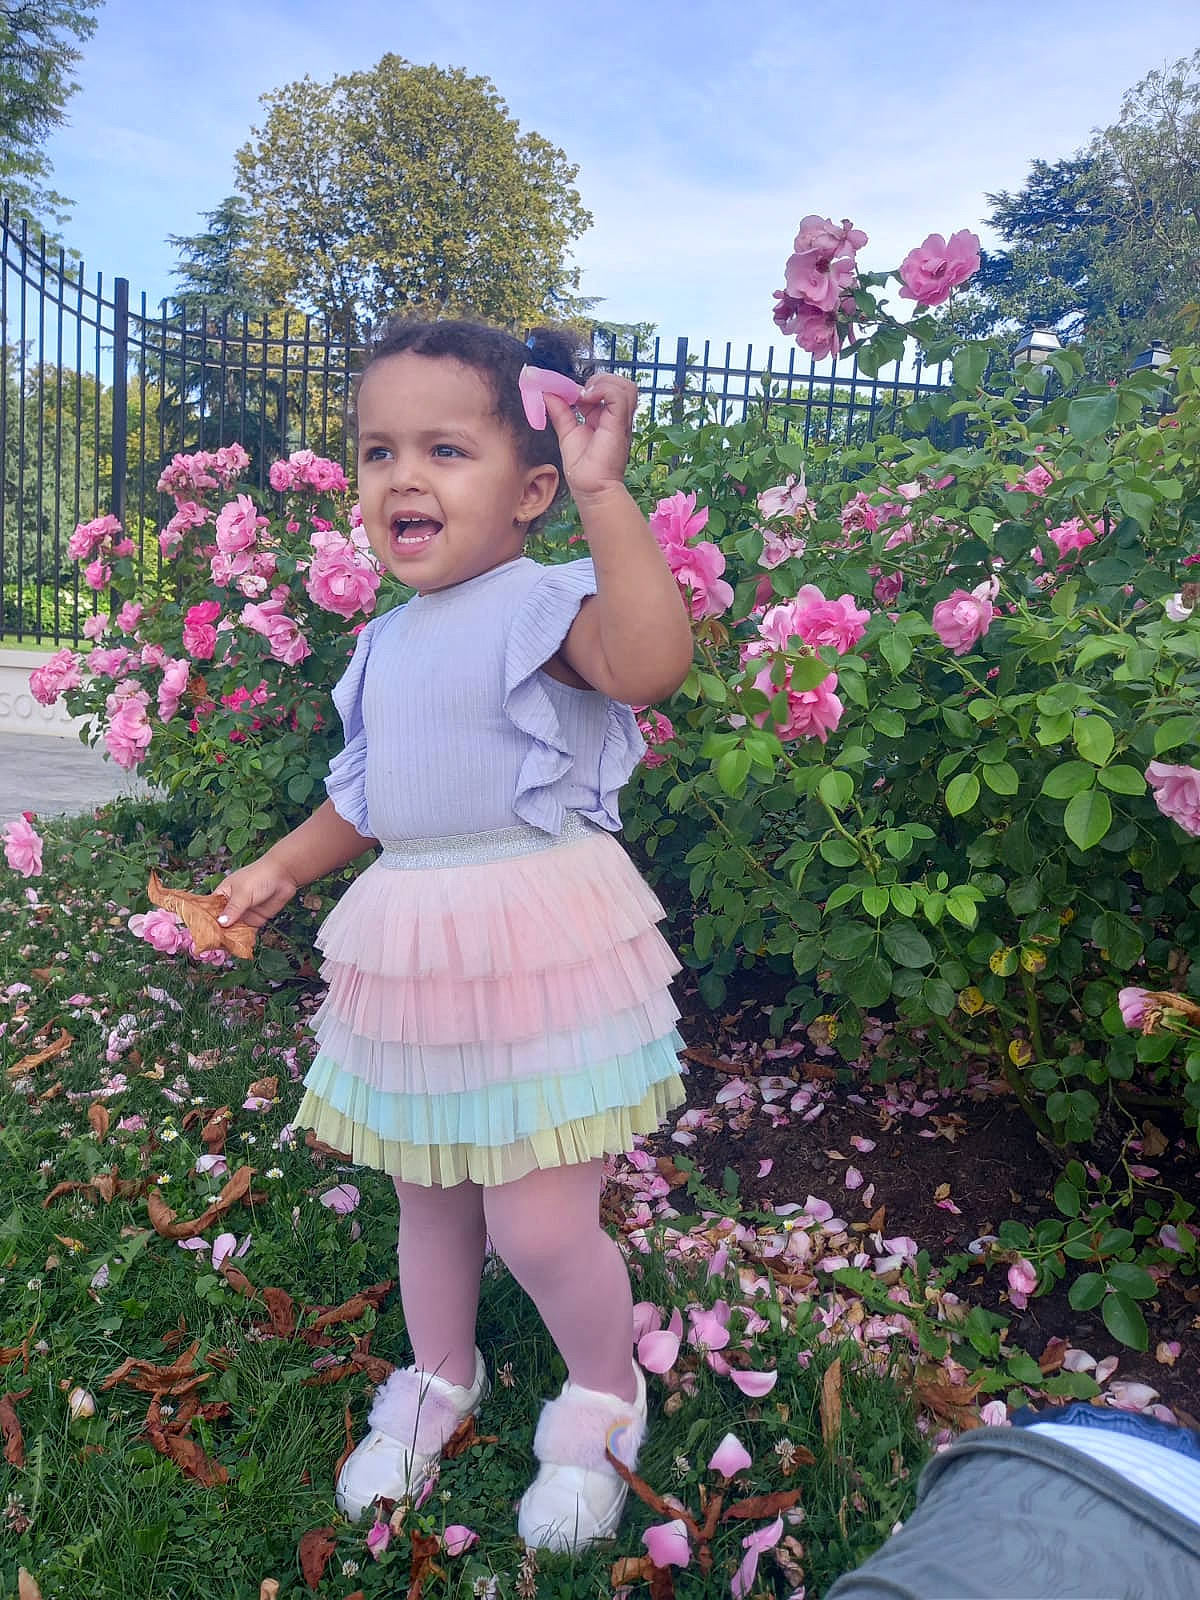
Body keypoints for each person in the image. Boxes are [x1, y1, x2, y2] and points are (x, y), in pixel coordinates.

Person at [214, 320, 695, 1552]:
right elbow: (367, 797)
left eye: (444, 447)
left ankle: (603, 1389)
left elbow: (647, 665)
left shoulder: (544, 601)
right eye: (378, 451)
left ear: (531, 488)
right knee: (428, 1192)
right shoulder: (381, 642)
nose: (401, 478)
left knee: (535, 1217)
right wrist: (277, 867)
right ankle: (439, 1372)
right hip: (419, 942)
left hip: (536, 938)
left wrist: (608, 496)